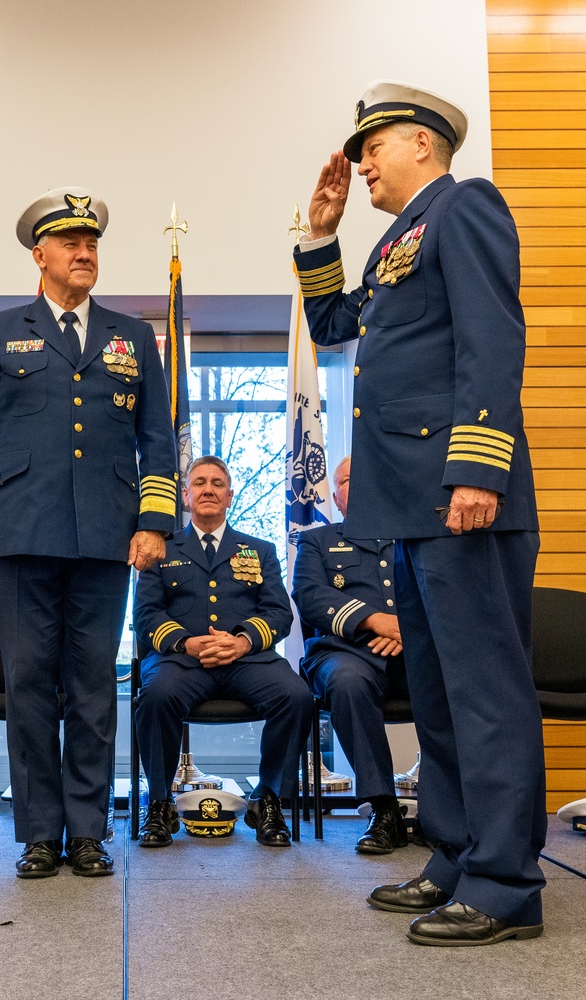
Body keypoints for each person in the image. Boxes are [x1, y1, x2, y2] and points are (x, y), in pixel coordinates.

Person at [295, 81, 545, 946]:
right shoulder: (395, 242)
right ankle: (455, 854)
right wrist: (321, 235)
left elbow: (492, 335)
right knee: (437, 697)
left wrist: (477, 467)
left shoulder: (465, 207)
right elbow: (334, 326)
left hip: (461, 498)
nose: (360, 163)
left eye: (373, 147)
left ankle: (508, 882)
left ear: (422, 146)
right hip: (411, 506)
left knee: (485, 696)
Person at [0, 187, 178, 878]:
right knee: (27, 685)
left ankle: (87, 829)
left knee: (91, 687)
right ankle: (38, 833)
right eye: (71, 243)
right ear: (39, 254)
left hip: (107, 540)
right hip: (21, 535)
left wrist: (155, 522)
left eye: (93, 243)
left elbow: (157, 439)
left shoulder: (132, 335)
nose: (85, 253)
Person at [133, 456, 313, 848]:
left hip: (246, 660)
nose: (208, 489)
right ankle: (160, 802)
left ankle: (268, 799)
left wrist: (243, 640)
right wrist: (186, 642)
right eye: (199, 483)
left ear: (230, 496)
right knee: (156, 695)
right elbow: (145, 614)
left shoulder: (259, 550)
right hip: (181, 662)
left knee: (297, 696)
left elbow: (279, 613)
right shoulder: (160, 549)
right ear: (185, 495)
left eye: (217, 483)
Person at [292, 455, 409, 854]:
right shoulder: (316, 540)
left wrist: (406, 630)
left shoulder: (412, 537)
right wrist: (375, 620)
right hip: (344, 652)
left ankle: (449, 810)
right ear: (336, 499)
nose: (354, 487)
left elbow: (444, 593)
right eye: (344, 481)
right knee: (348, 682)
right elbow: (309, 597)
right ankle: (383, 809)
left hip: (413, 650)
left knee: (456, 676)